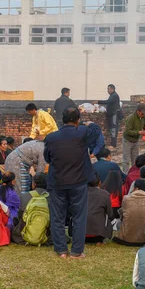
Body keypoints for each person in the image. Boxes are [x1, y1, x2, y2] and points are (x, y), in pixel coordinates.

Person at [44, 107, 103, 258]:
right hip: (78, 181)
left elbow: (47, 158)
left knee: (57, 216)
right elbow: (96, 131)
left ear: (62, 120)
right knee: (79, 216)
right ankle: (77, 251)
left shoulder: (51, 137)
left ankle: (61, 250)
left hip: (57, 181)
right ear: (77, 120)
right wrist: (88, 123)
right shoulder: (82, 132)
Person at [114, 179, 145, 246]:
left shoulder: (126, 198)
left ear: (136, 188)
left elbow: (122, 217)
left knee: (119, 223)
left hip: (127, 239)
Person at [11, 172, 50, 245]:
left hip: (26, 232)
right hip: (46, 232)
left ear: (34, 184)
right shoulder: (51, 197)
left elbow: (21, 216)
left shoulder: (24, 196)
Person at [85, 172, 113, 244]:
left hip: (81, 233)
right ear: (99, 183)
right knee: (107, 219)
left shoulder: (80, 193)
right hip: (98, 234)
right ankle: (99, 240)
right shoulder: (105, 194)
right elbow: (110, 214)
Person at [122, 103, 145, 172]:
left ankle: (134, 174)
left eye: (144, 114)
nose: (143, 115)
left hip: (135, 141)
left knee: (135, 160)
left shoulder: (143, 118)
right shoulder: (131, 118)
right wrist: (139, 132)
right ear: (138, 111)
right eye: (142, 113)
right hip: (127, 140)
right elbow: (127, 131)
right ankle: (125, 175)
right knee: (126, 160)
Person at [95, 84, 121, 148]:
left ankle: (113, 144)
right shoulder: (112, 95)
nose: (108, 90)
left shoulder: (114, 95)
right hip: (111, 115)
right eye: (107, 89)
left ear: (112, 89)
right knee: (111, 129)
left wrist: (98, 102)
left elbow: (108, 101)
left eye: (108, 89)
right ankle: (112, 143)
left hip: (114, 115)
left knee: (114, 129)